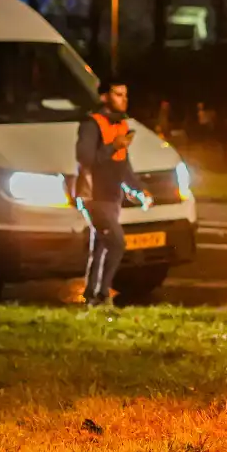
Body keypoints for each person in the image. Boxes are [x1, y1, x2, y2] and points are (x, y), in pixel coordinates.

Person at [72, 78, 152, 307]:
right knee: (117, 244)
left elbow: (123, 165)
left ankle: (90, 295)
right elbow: (85, 159)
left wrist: (138, 190)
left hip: (111, 197)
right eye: (118, 94)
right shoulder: (91, 124)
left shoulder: (121, 126)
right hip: (94, 196)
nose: (124, 99)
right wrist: (113, 146)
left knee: (100, 247)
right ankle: (102, 295)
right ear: (104, 97)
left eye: (126, 95)